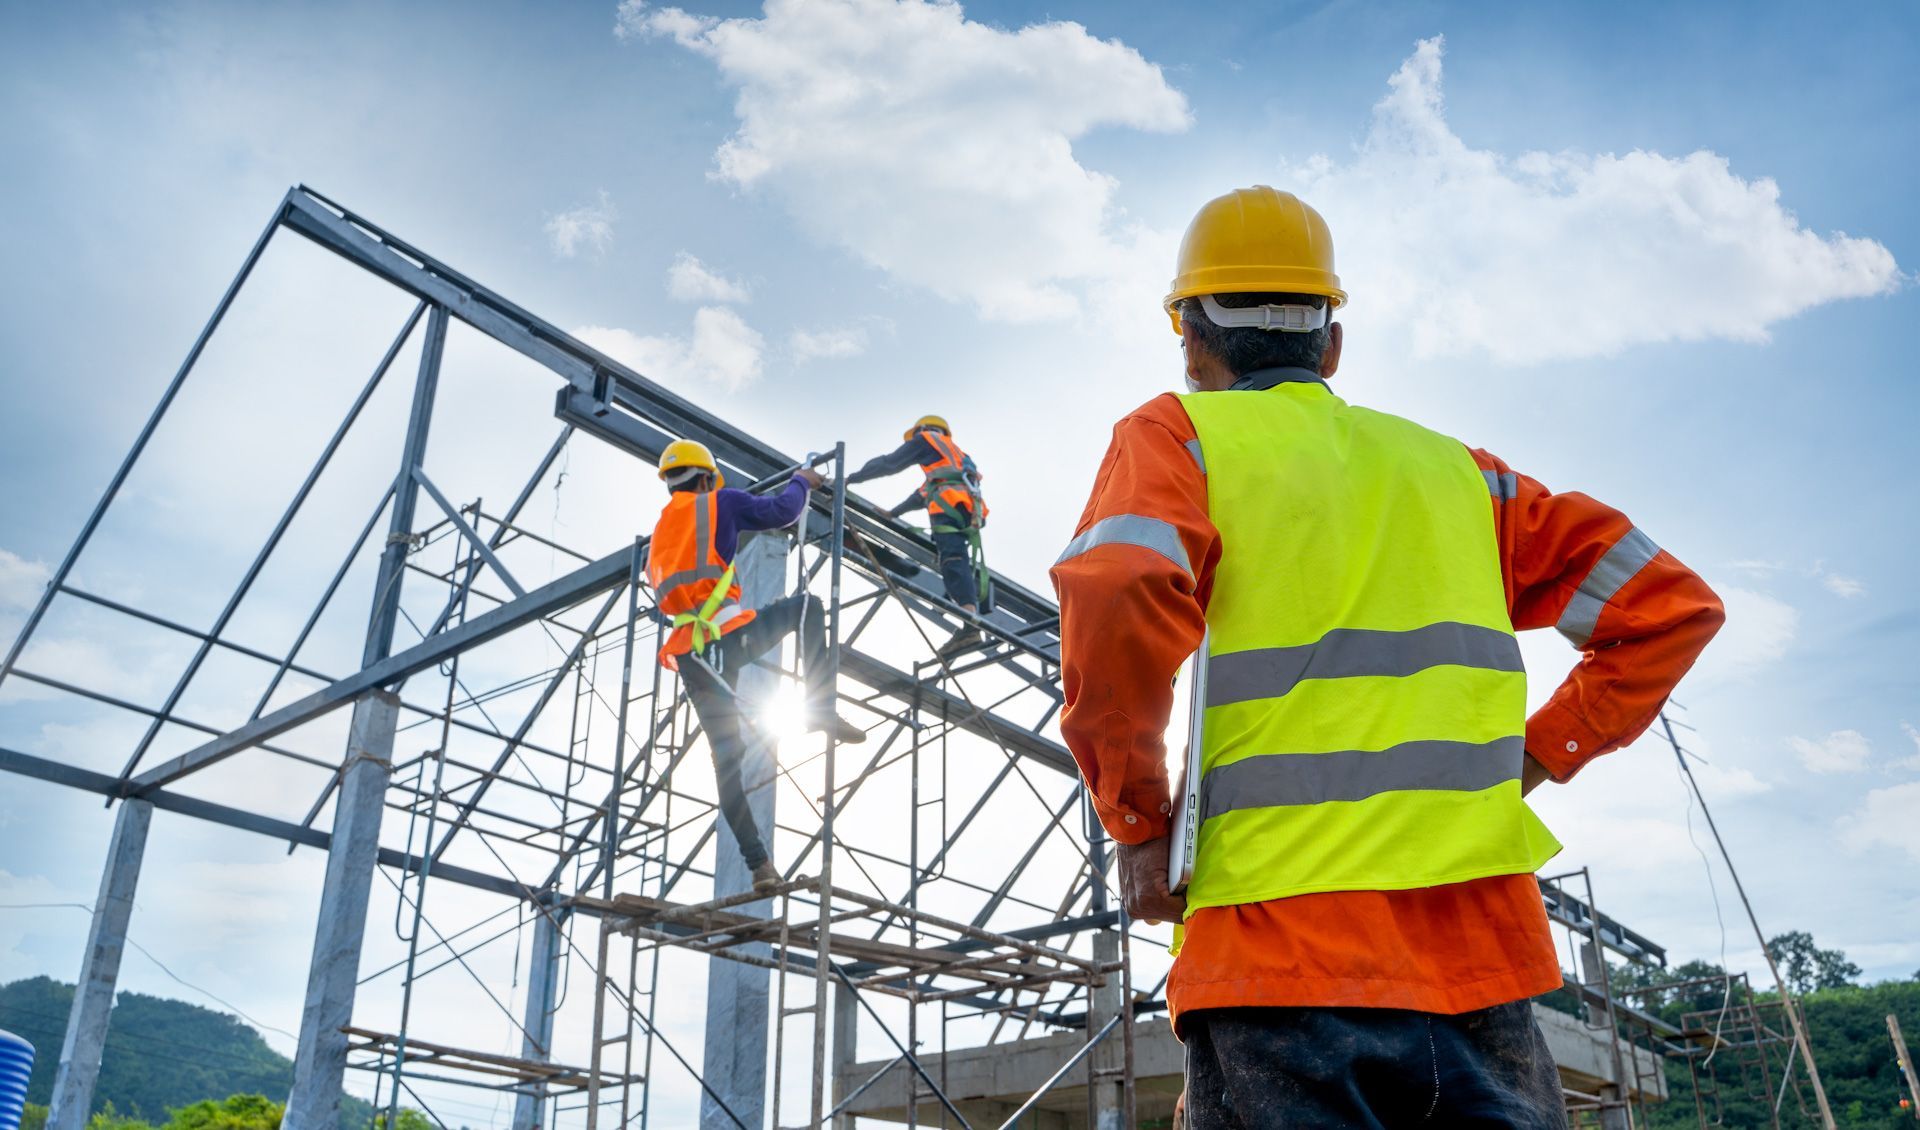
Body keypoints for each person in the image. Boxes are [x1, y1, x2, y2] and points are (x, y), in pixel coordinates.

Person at [1049, 187, 1725, 1128]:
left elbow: (1119, 588)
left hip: (1273, 955)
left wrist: (1134, 821)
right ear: (1332, 344)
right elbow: (1672, 605)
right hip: (1481, 967)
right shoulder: (1463, 474)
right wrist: (1535, 755)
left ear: (1191, 340)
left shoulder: (1176, 438)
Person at [646, 439, 867, 893]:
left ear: (670, 482)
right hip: (727, 634)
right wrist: (801, 482)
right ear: (706, 477)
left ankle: (760, 867)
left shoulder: (662, 530)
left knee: (726, 762)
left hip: (692, 653)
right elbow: (782, 513)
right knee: (808, 607)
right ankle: (819, 707)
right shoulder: (720, 502)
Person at [847, 415, 991, 656]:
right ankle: (969, 622)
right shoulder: (956, 458)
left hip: (949, 507)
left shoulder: (926, 439)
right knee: (955, 558)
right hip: (966, 509)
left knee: (953, 560)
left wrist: (852, 478)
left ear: (924, 430)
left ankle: (970, 623)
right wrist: (893, 513)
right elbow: (922, 494)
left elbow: (890, 463)